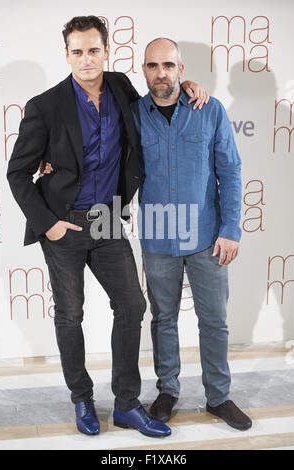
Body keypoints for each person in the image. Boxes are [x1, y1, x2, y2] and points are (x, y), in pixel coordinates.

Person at [7, 16, 208, 438]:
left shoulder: (120, 87)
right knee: (70, 314)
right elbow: (17, 173)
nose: (86, 59)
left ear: (105, 51)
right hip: (64, 225)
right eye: (77, 52)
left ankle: (126, 404)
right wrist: (50, 225)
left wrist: (189, 88)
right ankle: (81, 397)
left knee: (132, 306)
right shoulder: (44, 105)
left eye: (93, 50)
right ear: (66, 55)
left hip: (108, 219)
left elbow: (158, 101)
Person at [130, 38, 252, 431]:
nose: (160, 73)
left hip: (207, 236)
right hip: (157, 237)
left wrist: (231, 229)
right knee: (163, 318)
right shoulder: (132, 115)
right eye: (152, 65)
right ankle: (167, 390)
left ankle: (219, 396)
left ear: (181, 70)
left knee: (214, 321)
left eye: (168, 65)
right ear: (143, 69)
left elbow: (230, 172)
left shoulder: (209, 109)